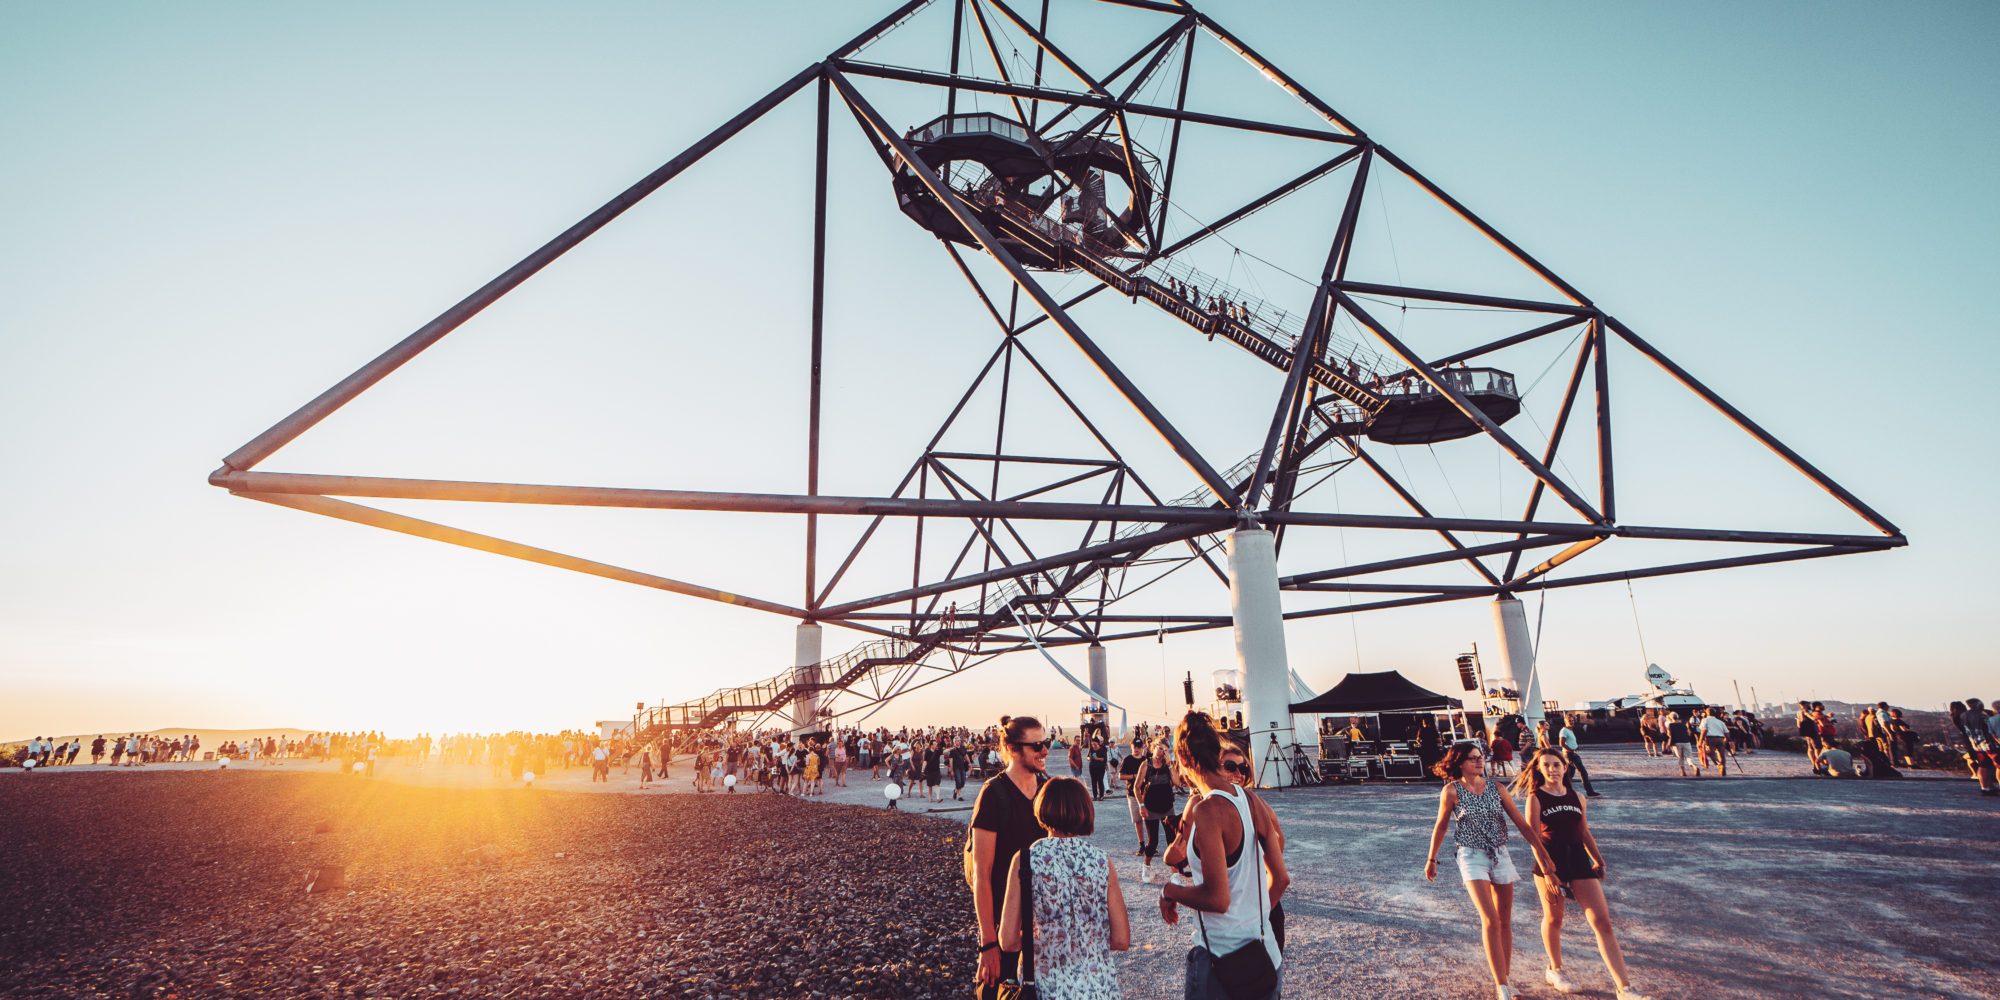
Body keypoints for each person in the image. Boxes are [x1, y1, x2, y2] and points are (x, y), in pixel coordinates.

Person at [1159, 712, 1283, 1000]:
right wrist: (1253, 917)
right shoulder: (1251, 800)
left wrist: (1170, 890)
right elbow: (1281, 878)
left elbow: (1218, 899)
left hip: (1221, 963)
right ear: (1217, 752)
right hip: (1266, 957)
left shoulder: (1207, 810)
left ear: (1183, 760)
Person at [1513, 748, 1651, 999]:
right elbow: (1533, 837)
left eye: (1557, 764)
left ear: (1566, 768)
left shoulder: (1578, 796)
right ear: (1539, 770)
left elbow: (1584, 832)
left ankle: (1625, 988)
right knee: (1554, 919)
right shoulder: (1535, 797)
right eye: (1546, 765)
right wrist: (1548, 870)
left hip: (1578, 859)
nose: (1552, 769)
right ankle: (1555, 969)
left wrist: (1598, 859)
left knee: (1602, 922)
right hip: (1550, 862)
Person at [1423, 743, 1555, 1000]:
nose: (1479, 762)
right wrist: (1432, 858)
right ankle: (1502, 986)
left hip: (1500, 854)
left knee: (1505, 920)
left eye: (1480, 757)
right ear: (1460, 762)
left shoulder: (1498, 788)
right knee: (1490, 919)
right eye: (1472, 759)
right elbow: (1441, 826)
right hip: (1471, 856)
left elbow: (1523, 825)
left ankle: (1505, 977)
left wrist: (1542, 852)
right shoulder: (1451, 791)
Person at [997, 776, 1130, 999]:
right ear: (1084, 810)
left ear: (1043, 807)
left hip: (1046, 988)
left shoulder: (1026, 860)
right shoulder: (1101, 861)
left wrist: (1045, 943)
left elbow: (1009, 941)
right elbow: (1121, 939)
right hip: (1099, 988)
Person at [969, 715, 1051, 999]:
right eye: (1037, 745)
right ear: (1014, 749)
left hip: (1045, 929)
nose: (1045, 751)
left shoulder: (1048, 790)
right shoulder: (994, 795)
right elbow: (982, 873)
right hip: (1005, 928)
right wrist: (988, 944)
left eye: (1046, 742)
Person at [1135, 743, 1176, 883]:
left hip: (1167, 806)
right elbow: (1136, 787)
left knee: (1172, 839)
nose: (1162, 752)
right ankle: (1146, 866)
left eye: (1165, 750)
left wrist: (1170, 765)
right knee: (1153, 842)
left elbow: (1177, 782)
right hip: (1150, 807)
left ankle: (1175, 872)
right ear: (1153, 748)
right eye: (1160, 748)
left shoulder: (1168, 765)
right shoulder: (1146, 765)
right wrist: (1141, 805)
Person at [1556, 715, 1600, 797]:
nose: (1572, 722)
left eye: (1572, 720)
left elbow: (1570, 742)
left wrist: (1576, 747)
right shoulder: (1564, 731)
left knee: (1569, 775)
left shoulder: (1570, 730)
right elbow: (1561, 743)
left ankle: (1561, 791)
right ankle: (1590, 792)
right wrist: (1571, 750)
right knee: (1583, 772)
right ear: (1565, 721)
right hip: (1570, 755)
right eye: (1569, 720)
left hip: (1571, 754)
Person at [1697, 708, 1732, 777]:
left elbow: (1703, 731)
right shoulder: (1720, 722)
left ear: (1707, 713)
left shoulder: (1705, 720)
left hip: (1710, 738)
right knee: (1721, 754)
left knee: (1710, 752)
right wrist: (1728, 740)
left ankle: (1719, 765)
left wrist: (1700, 741)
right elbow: (1727, 733)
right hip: (1720, 738)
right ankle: (1722, 767)